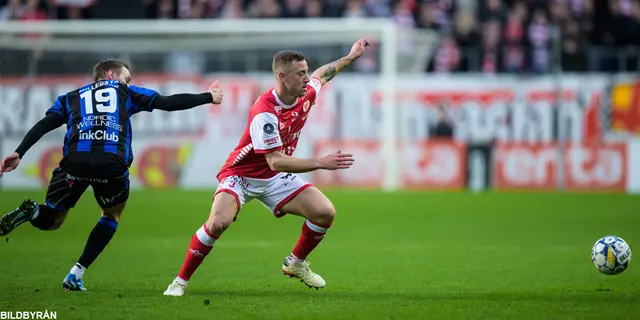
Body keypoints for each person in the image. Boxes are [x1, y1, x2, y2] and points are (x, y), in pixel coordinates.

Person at [163, 38, 369, 297]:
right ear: (283, 77)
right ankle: (179, 281)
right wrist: (320, 162)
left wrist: (351, 56)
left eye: (305, 72)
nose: (307, 78)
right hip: (242, 175)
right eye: (300, 74)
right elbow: (275, 159)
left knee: (325, 213)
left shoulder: (306, 94)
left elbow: (322, 74)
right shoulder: (265, 112)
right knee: (218, 223)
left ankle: (295, 263)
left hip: (275, 177)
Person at [0, 59, 224, 291]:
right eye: (126, 78)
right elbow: (167, 103)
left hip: (74, 162)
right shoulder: (125, 92)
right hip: (111, 163)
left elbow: (45, 124)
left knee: (52, 220)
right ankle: (76, 273)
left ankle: (33, 211)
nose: (128, 82)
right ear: (110, 75)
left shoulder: (70, 97)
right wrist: (208, 97)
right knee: (111, 215)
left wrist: (19, 152)